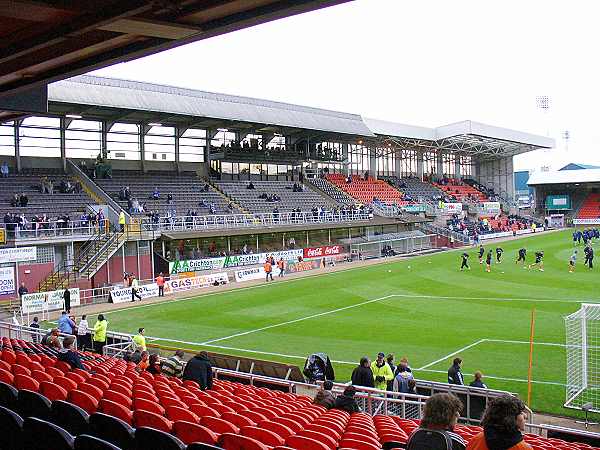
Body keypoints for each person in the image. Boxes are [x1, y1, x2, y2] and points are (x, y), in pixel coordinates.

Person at [466, 395, 532, 450]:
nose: (525, 416)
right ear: (510, 418)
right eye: (520, 412)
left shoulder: (476, 440)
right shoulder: (523, 448)